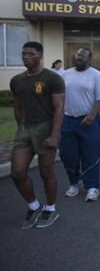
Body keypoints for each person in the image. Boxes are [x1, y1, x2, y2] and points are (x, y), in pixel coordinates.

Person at [10, 42, 65, 229]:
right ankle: (34, 206)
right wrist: (22, 128)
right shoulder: (17, 80)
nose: (26, 57)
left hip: (46, 127)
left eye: (30, 54)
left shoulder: (52, 78)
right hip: (25, 129)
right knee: (17, 173)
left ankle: (50, 208)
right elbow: (17, 107)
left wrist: (54, 135)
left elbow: (59, 108)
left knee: (45, 172)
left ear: (40, 56)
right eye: (23, 53)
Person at [60, 48, 100, 202]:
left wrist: (92, 115)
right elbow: (60, 97)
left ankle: (92, 187)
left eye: (82, 56)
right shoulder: (66, 74)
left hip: (89, 122)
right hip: (68, 121)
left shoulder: (96, 75)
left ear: (90, 60)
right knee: (67, 154)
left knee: (90, 155)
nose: (79, 58)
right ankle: (75, 182)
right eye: (77, 55)